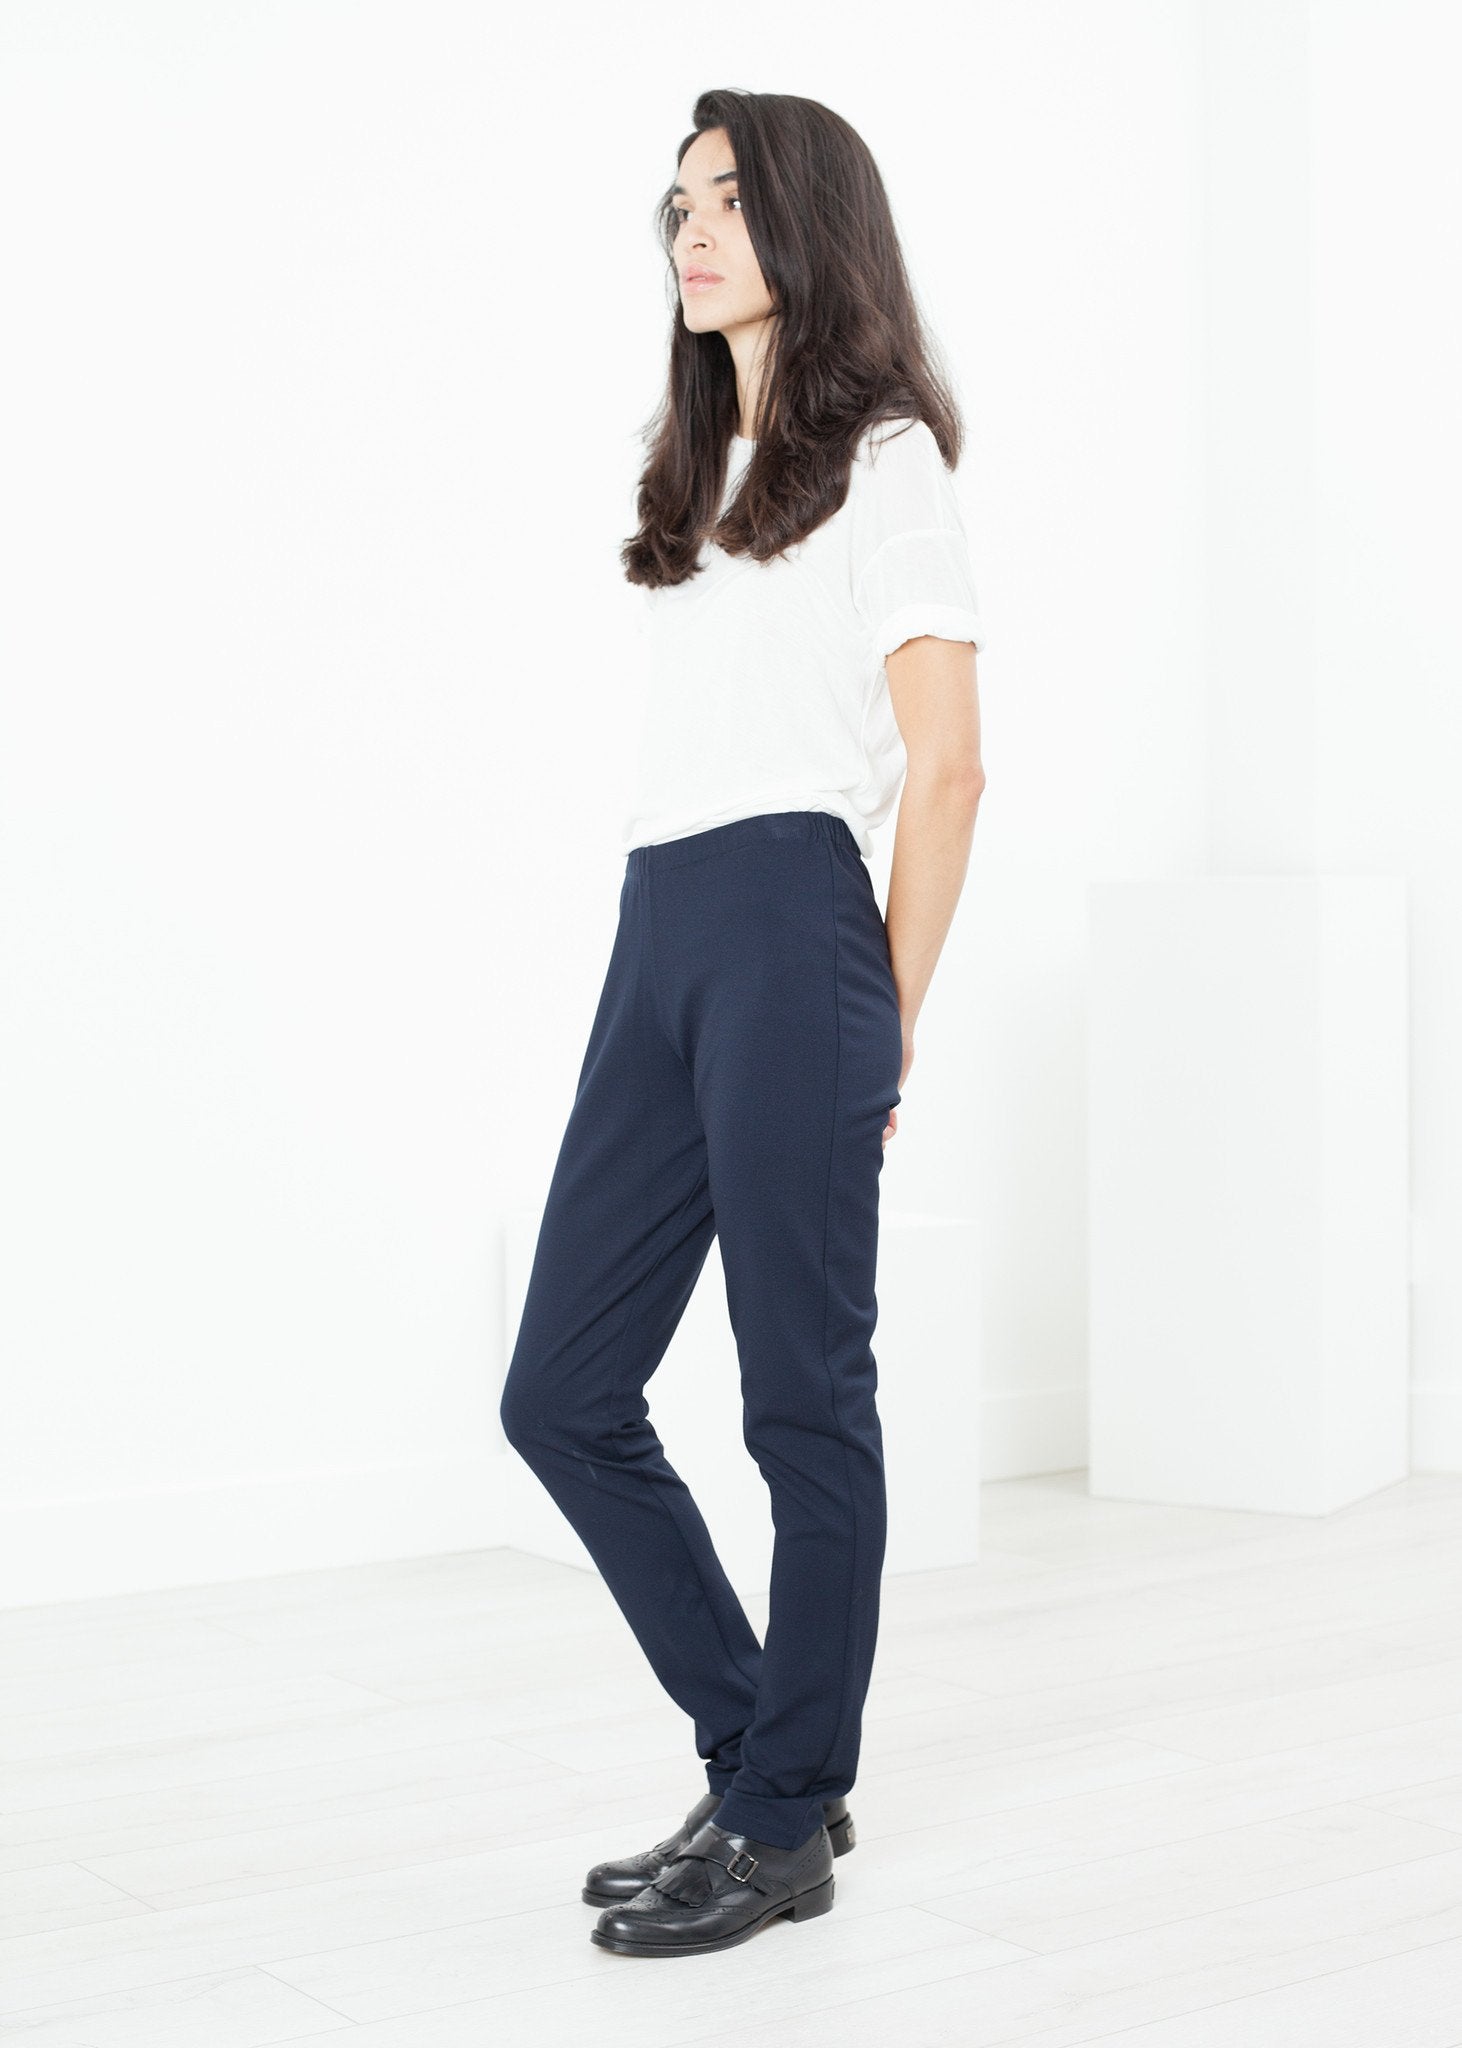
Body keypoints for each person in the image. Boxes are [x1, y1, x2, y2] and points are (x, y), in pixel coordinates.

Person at [499, 86, 987, 1959]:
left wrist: (888, 1020)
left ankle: (781, 1821)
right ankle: (766, 1756)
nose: (690, 231)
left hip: (794, 931)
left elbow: (946, 768)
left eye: (726, 198)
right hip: (665, 929)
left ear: (808, 221)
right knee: (561, 1391)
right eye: (677, 204)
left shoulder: (885, 456)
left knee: (799, 1399)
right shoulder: (701, 472)